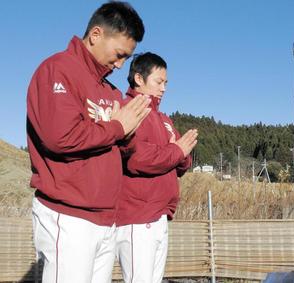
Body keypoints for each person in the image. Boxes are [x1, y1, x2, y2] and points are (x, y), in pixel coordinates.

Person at [26, 2, 149, 282]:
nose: (120, 65)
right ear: (96, 34)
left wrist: (127, 134)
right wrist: (118, 127)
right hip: (68, 215)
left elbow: (125, 149)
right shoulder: (57, 70)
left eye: (126, 59)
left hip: (106, 219)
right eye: (119, 55)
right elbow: (61, 138)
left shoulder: (111, 91)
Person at [115, 52, 198, 283]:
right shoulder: (128, 111)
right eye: (159, 82)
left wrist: (179, 153)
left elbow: (183, 163)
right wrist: (176, 151)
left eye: (166, 83)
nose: (164, 88)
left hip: (160, 215)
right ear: (139, 79)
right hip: (137, 217)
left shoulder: (164, 119)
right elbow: (137, 158)